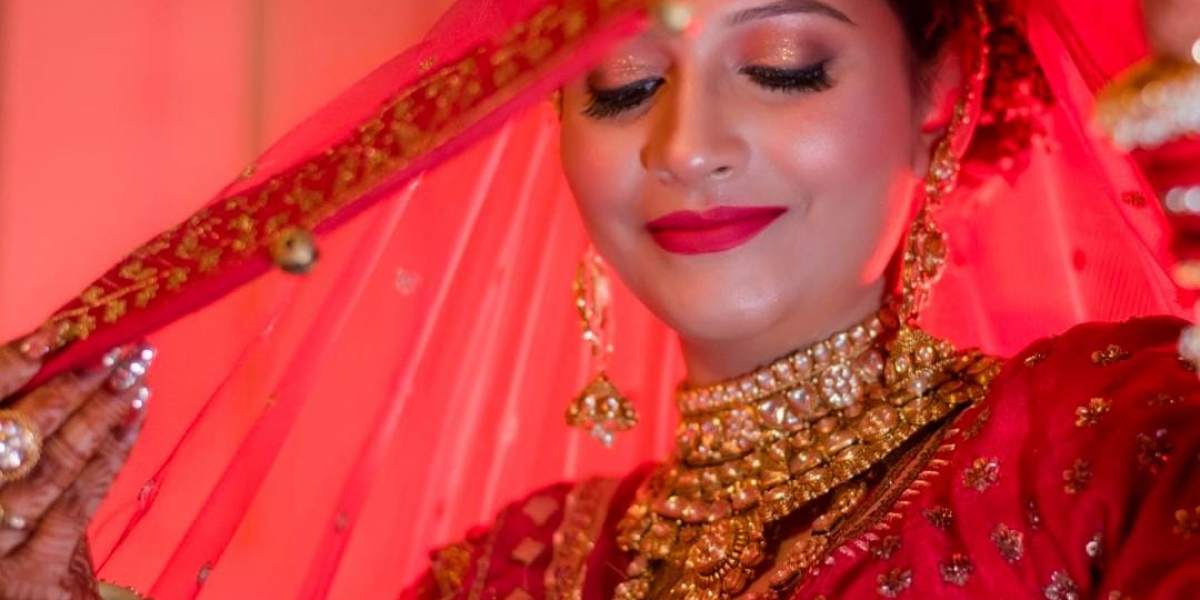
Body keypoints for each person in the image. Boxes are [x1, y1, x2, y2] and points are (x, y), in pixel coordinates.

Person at [0, 0, 1197, 598]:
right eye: (622, 87)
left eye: (782, 66)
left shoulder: (1108, 446)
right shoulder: (514, 573)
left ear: (942, 85)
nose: (685, 147)